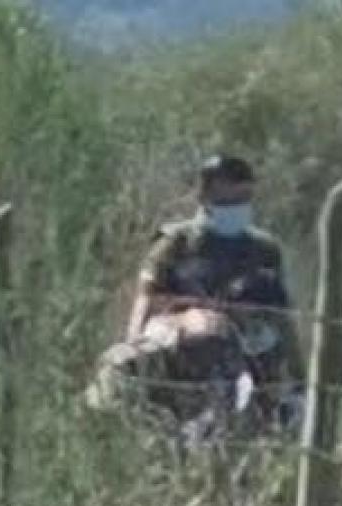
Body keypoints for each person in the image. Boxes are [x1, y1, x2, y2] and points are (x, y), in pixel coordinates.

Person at [86, 154, 305, 430]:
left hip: (248, 349)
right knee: (117, 372)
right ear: (205, 197)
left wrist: (299, 376)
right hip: (182, 340)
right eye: (227, 200)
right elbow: (147, 298)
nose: (236, 208)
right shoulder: (178, 243)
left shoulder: (264, 250)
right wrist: (137, 344)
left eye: (243, 199)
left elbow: (282, 317)